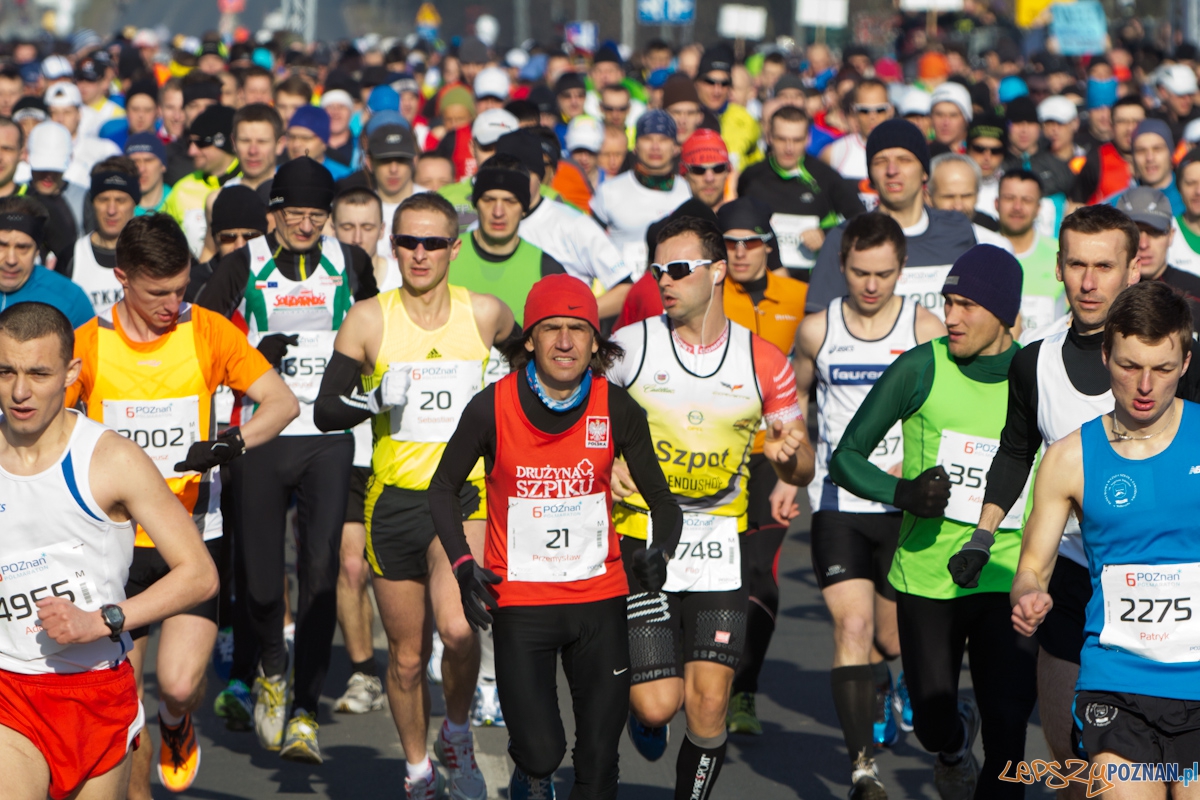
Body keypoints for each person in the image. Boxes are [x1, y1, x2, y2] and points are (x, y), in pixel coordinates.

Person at [67, 213, 298, 796]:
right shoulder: (88, 344)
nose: (174, 304)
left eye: (181, 288)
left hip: (191, 539)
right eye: (158, 293)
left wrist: (231, 443)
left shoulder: (208, 331)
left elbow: (281, 403)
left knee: (174, 686)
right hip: (114, 546)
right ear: (121, 277)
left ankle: (176, 721)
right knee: (123, 702)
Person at [427, 272, 681, 800]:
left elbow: (663, 501)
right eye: (551, 328)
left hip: (600, 599)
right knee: (542, 753)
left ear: (595, 342)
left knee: (598, 760)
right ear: (530, 340)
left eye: (578, 329)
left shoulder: (616, 407)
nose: (565, 342)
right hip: (522, 603)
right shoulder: (491, 406)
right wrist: (462, 564)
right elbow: (443, 488)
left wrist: (662, 551)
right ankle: (529, 772)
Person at [313, 191, 516, 799]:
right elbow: (325, 410)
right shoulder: (369, 319)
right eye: (408, 242)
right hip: (394, 501)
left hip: (463, 496)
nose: (420, 253)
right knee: (405, 658)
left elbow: (538, 369)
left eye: (433, 242)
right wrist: (371, 399)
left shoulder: (485, 314)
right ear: (392, 246)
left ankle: (456, 732)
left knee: (458, 629)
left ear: (455, 247)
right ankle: (419, 770)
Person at [609, 216, 814, 800]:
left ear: (718, 271)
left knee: (708, 705)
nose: (664, 281)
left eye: (678, 269)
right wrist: (607, 461)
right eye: (657, 271)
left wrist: (790, 460)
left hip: (719, 543)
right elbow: (586, 421)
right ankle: (643, 713)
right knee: (658, 704)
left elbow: (802, 466)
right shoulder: (631, 347)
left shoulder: (763, 360)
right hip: (644, 537)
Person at [829, 244, 1037, 800]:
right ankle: (953, 740)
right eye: (948, 302)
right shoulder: (922, 365)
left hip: (1008, 573)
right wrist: (903, 493)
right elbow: (846, 457)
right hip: (929, 575)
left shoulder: (1037, 375)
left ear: (1004, 313)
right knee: (931, 724)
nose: (951, 316)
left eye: (967, 305)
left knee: (1009, 732)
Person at [197, 156, 378, 763]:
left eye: (316, 215)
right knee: (261, 582)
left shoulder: (350, 262)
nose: (305, 225)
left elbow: (379, 327)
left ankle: (304, 712)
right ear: (274, 212)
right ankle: (271, 668)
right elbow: (201, 336)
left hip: (328, 435)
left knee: (321, 575)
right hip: (262, 434)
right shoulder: (242, 263)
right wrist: (252, 351)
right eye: (294, 213)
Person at [0, 300, 218, 800]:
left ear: (71, 372)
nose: (19, 391)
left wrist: (102, 621)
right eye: (6, 371)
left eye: (38, 373)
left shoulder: (112, 459)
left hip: (97, 692)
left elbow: (199, 574)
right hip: (11, 689)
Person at [1011, 280, 1200, 800]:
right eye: (1129, 366)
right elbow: (1032, 568)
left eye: (1163, 368)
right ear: (1105, 357)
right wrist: (1028, 595)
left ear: (1185, 363)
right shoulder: (1069, 457)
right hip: (1117, 682)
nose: (1145, 385)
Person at [794, 212, 945, 798]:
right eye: (860, 272)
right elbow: (796, 399)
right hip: (838, 502)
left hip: (904, 505)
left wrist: (921, 461)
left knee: (890, 640)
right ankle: (863, 769)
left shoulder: (925, 327)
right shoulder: (817, 330)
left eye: (884, 273)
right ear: (842, 265)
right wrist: (789, 466)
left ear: (902, 268)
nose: (872, 285)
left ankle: (887, 677)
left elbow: (946, 408)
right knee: (851, 625)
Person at [700, 197, 816, 737]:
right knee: (705, 573)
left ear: (769, 246)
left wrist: (797, 467)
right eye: (730, 244)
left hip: (771, 457)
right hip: (710, 455)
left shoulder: (799, 297)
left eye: (751, 242)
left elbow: (810, 383)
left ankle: (743, 689)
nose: (741, 253)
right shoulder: (703, 296)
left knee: (760, 577)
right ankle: (696, 673)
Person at [807, 119, 978, 319]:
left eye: (904, 160)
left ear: (924, 172)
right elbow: (817, 323)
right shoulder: (844, 236)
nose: (892, 171)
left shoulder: (957, 230)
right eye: (880, 161)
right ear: (871, 175)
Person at [490, 130, 633, 319]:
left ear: (540, 176)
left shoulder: (573, 224)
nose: (515, 182)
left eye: (524, 173)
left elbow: (625, 290)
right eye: (507, 174)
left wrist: (572, 317)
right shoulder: (481, 229)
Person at [738, 106, 866, 277]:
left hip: (811, 281)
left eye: (797, 140)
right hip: (764, 279)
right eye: (781, 139)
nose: (789, 148)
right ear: (769, 137)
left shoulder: (825, 177)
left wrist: (826, 235)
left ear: (808, 139)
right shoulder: (751, 176)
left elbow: (860, 219)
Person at [450, 160, 566, 331]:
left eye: (510, 201)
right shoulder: (444, 256)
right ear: (476, 204)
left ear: (524, 208)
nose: (498, 212)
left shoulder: (548, 270)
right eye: (489, 200)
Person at [590, 110, 691, 277]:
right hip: (620, 287)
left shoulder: (687, 191)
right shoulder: (609, 191)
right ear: (635, 146)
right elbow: (590, 245)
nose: (655, 147)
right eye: (648, 139)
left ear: (675, 148)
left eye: (663, 139)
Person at [0, 196, 93, 327]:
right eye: (2, 245)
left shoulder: (70, 299)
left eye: (22, 247)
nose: (11, 260)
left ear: (37, 251)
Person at [1116, 187, 1200, 330]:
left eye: (1154, 231)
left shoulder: (1196, 292)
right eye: (1134, 233)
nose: (1143, 244)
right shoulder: (1100, 292)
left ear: (1171, 235)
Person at [995, 169, 1065, 335]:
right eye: (1009, 198)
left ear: (1038, 207)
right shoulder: (979, 252)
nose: (1017, 207)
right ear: (996, 203)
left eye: (1026, 200)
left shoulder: (1060, 254)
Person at [164, 104, 239, 258]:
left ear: (223, 142)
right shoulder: (182, 189)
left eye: (201, 143)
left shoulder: (249, 182)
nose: (192, 151)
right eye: (189, 143)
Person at [72, 157, 140, 316]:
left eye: (120, 200)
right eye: (103, 200)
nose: (111, 210)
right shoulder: (73, 256)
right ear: (92, 203)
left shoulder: (152, 252)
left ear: (134, 202)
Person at [187, 184, 268, 302]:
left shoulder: (282, 276)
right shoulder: (191, 285)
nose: (240, 246)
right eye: (228, 238)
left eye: (250, 236)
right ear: (215, 239)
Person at [694, 44, 761, 171]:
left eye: (724, 83)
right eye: (710, 82)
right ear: (697, 82)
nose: (717, 91)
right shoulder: (684, 116)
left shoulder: (744, 119)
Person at [1069, 95, 1145, 208]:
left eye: (1136, 121)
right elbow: (1074, 206)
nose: (1130, 128)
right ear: (1111, 125)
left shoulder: (1158, 159)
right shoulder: (1096, 160)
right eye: (1122, 122)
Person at [820, 79, 894, 182]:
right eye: (864, 110)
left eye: (880, 110)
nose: (872, 117)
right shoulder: (833, 153)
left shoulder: (906, 151)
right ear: (854, 111)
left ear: (890, 111)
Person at [286, 106, 352, 182]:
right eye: (292, 137)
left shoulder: (344, 179)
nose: (296, 144)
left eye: (306, 138)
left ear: (324, 143)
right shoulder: (277, 176)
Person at [125, 132, 171, 216]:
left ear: (163, 166)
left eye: (148, 160)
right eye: (135, 162)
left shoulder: (178, 198)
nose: (141, 169)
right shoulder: (118, 210)